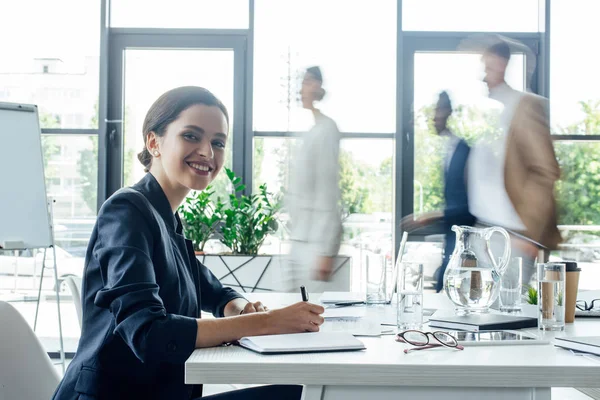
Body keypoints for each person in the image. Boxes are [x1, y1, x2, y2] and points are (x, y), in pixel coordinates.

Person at [52, 86, 324, 400]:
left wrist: (239, 308)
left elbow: (215, 292)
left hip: (163, 394)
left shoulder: (167, 218)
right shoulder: (127, 211)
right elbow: (147, 333)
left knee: (299, 393)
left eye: (218, 142)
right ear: (154, 142)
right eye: (192, 136)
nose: (208, 152)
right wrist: (266, 322)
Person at [468, 39, 562, 286]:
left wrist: (529, 236)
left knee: (506, 318)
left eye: (486, 68)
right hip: (485, 234)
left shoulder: (525, 106)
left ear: (500, 64)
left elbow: (546, 171)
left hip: (510, 238)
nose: (483, 77)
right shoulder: (494, 113)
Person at [401, 91, 475, 292]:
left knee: (446, 289)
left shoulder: (464, 151)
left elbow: (472, 208)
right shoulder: (451, 149)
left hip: (464, 240)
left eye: (436, 110)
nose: (433, 117)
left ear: (447, 112)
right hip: (452, 239)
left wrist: (431, 216)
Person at [284, 66, 343, 291]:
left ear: (318, 86)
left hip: (315, 243)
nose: (302, 88)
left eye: (307, 82)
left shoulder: (327, 129)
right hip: (299, 237)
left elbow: (328, 190)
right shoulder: (312, 130)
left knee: (307, 316)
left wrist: (327, 250)